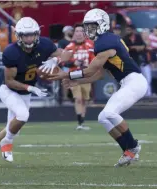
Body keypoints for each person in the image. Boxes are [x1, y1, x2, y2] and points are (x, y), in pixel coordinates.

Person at [40, 8, 147, 167]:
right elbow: (99, 74)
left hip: (134, 82)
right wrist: (77, 82)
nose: (88, 30)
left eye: (92, 26)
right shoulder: (108, 40)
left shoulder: (105, 43)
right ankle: (127, 150)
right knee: (103, 118)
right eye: (87, 26)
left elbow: (89, 70)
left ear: (102, 25)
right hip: (128, 82)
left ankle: (132, 146)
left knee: (110, 113)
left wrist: (66, 75)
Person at [0, 17, 63, 168]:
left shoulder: (45, 45)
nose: (29, 38)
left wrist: (56, 60)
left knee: (12, 128)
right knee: (23, 115)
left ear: (37, 34)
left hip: (25, 94)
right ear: (19, 36)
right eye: (25, 35)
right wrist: (30, 88)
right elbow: (9, 81)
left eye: (31, 34)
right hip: (9, 90)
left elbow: (65, 54)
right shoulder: (11, 52)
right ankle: (7, 143)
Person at [63, 24, 95, 130]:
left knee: (85, 99)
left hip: (86, 75)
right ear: (74, 33)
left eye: (81, 31)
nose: (79, 33)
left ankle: (82, 121)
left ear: (84, 33)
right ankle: (80, 123)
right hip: (74, 75)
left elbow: (94, 60)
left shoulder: (90, 46)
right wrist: (73, 63)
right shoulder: (69, 47)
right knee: (78, 99)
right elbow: (63, 62)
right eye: (77, 31)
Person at [123, 24, 152, 97]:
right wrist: (135, 48)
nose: (127, 31)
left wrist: (136, 47)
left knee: (145, 78)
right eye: (127, 30)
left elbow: (143, 46)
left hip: (140, 60)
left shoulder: (138, 37)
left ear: (133, 30)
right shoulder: (125, 38)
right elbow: (125, 48)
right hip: (130, 61)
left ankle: (147, 94)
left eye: (129, 30)